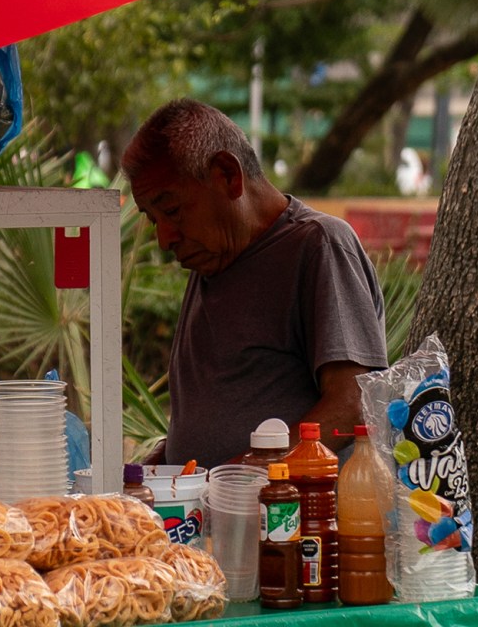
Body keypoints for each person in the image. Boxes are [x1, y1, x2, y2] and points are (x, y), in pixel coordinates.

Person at [123, 99, 387, 467]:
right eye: (153, 220)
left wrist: (241, 476)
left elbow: (354, 404)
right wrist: (164, 464)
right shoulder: (212, 258)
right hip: (208, 504)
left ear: (228, 175)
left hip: (292, 504)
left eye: (171, 210)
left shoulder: (319, 245)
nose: (164, 239)